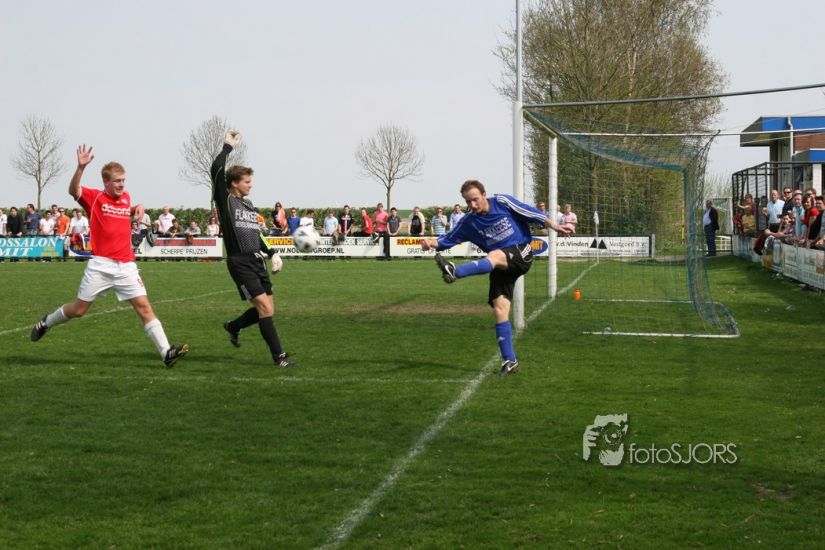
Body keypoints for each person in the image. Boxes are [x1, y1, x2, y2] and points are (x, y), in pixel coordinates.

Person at [30, 144, 188, 368]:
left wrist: (138, 207)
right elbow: (73, 191)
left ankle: (166, 353)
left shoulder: (125, 198)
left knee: (144, 307)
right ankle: (47, 322)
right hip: (101, 265)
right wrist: (80, 167)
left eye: (123, 180)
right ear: (106, 182)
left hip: (126, 266)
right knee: (79, 310)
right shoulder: (95, 197)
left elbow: (127, 210)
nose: (122, 184)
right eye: (117, 181)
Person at [420, 180, 570, 376]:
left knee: (494, 255)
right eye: (468, 201)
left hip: (521, 251)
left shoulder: (502, 202)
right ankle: (510, 361)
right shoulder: (468, 222)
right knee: (500, 307)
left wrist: (554, 226)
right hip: (499, 264)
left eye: (475, 199)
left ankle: (455, 272)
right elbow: (447, 239)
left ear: (484, 194)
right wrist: (429, 242)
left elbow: (532, 213)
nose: (472, 205)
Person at [212, 131, 296, 368]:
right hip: (240, 262)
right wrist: (227, 148)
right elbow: (216, 169)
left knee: (268, 309)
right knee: (264, 308)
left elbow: (256, 234)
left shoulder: (248, 205)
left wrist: (273, 253)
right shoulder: (226, 200)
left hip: (257, 261)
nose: (251, 185)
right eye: (247, 182)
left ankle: (234, 326)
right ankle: (279, 357)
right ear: (234, 183)